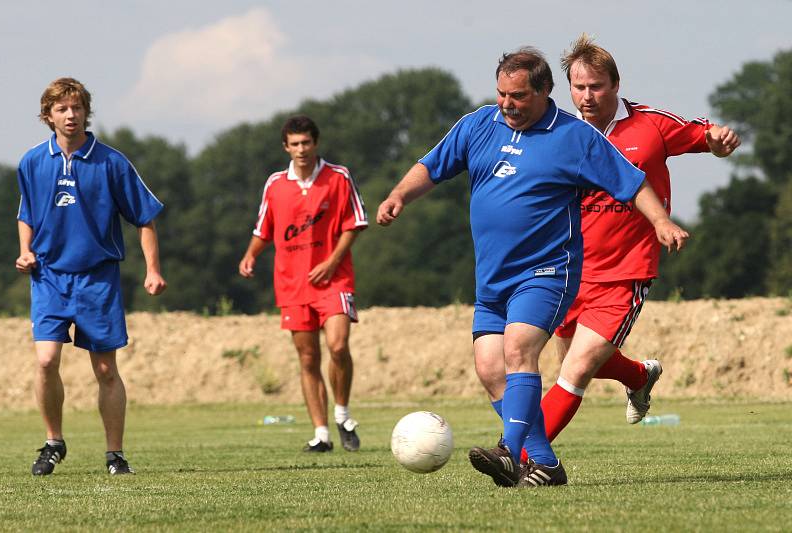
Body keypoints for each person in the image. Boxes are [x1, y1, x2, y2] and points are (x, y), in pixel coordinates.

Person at [377, 47, 689, 488]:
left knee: (519, 349)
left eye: (519, 96)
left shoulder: (573, 137)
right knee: (490, 369)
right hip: (492, 279)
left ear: (545, 91)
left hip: (545, 272)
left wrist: (660, 221)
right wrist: (398, 196)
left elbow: (631, 181)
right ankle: (544, 462)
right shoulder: (478, 124)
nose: (508, 104)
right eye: (502, 93)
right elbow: (432, 166)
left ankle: (510, 452)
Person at [518, 35, 741, 463]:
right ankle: (639, 374)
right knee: (582, 362)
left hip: (626, 269)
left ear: (616, 85)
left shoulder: (650, 125)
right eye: (578, 87)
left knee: (576, 369)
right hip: (569, 269)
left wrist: (717, 140)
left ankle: (521, 457)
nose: (587, 96)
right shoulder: (559, 133)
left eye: (596, 86)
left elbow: (702, 136)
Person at [16, 77, 167, 476]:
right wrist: (25, 251)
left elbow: (146, 218)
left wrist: (153, 269)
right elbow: (26, 213)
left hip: (97, 279)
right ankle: (53, 443)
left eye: (77, 107)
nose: (71, 115)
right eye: (62, 108)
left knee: (104, 370)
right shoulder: (32, 161)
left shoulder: (112, 162)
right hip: (49, 277)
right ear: (48, 116)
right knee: (46, 361)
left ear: (86, 112)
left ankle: (115, 454)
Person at [239, 115, 368, 453]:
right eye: (294, 144)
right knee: (308, 358)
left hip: (334, 278)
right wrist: (250, 256)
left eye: (306, 143)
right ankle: (322, 434)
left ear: (316, 143)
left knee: (338, 346)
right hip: (292, 284)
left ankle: (342, 412)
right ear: (286, 147)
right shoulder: (275, 184)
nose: (301, 149)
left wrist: (331, 261)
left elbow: (355, 223)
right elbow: (263, 229)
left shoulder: (338, 177)